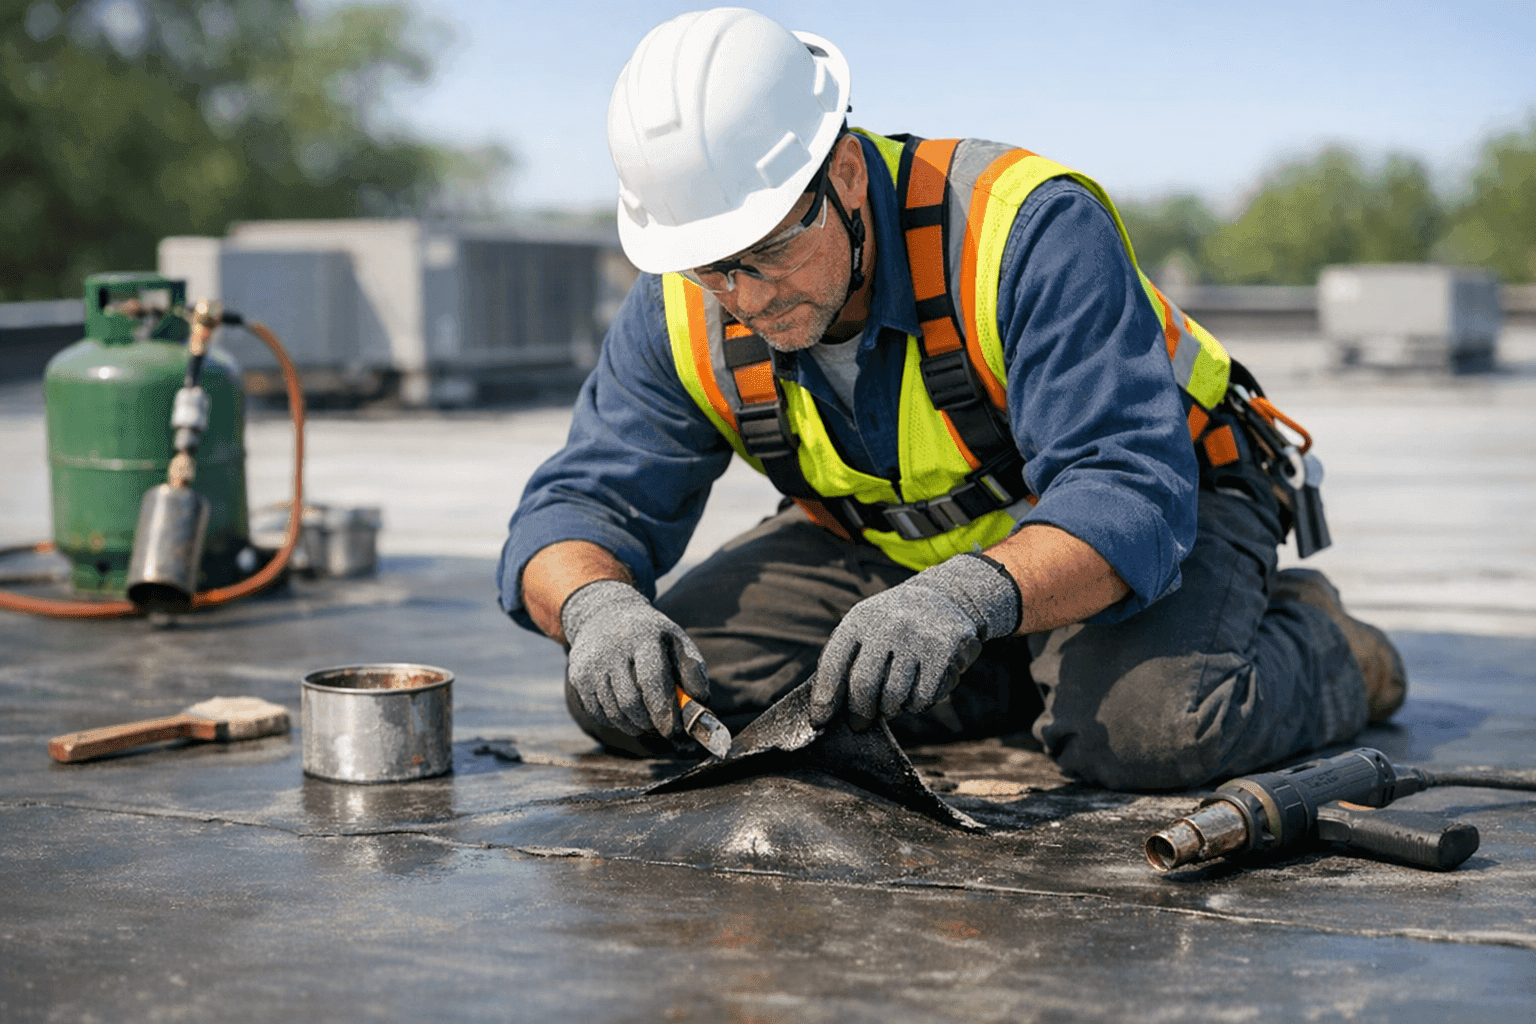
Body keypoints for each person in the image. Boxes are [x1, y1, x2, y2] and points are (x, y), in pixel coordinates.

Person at [497, 7, 1406, 790]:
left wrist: (968, 601)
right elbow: (583, 502)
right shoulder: (678, 307)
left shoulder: (1024, 231)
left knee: (1148, 729)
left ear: (845, 175)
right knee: (638, 697)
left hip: (1168, 510)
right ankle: (1038, 670)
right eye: (711, 268)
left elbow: (1127, 491)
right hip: (906, 548)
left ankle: (1323, 649)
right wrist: (595, 609)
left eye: (768, 252)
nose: (746, 296)